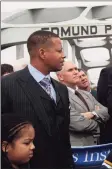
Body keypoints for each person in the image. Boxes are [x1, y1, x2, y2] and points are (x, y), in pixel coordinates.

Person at [1, 30, 74, 168]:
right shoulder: (7, 85)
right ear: (42, 53)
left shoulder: (61, 89)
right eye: (59, 51)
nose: (63, 55)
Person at [57, 61, 109, 146]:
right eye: (70, 70)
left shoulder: (86, 93)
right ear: (60, 77)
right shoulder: (59, 96)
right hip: (78, 150)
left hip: (96, 145)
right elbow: (77, 124)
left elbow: (106, 111)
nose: (76, 72)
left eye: (76, 69)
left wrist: (92, 114)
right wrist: (99, 123)